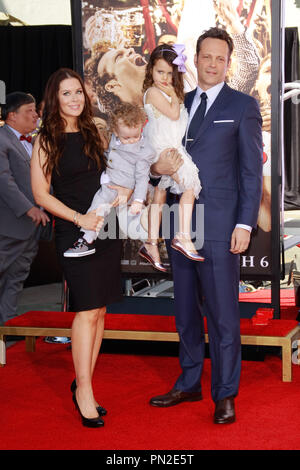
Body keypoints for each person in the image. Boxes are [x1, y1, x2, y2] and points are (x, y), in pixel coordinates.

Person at [149, 28, 263, 424]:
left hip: (218, 225)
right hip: (180, 224)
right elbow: (157, 157)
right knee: (184, 312)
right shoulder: (177, 105)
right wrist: (153, 169)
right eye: (207, 57)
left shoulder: (244, 106)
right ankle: (189, 381)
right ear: (194, 60)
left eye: (221, 58)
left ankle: (225, 393)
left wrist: (245, 224)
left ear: (228, 63)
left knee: (223, 315)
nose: (213, 64)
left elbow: (252, 173)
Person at [31, 68, 131, 428]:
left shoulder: (94, 131)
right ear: (53, 100)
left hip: (104, 229)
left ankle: (82, 383)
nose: (74, 99)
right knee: (87, 310)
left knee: (100, 310)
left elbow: (107, 177)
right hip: (74, 232)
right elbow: (41, 194)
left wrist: (122, 191)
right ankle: (85, 390)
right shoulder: (45, 139)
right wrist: (79, 218)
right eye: (66, 94)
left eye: (78, 93)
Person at [139, 44, 204, 272]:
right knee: (190, 185)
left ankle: (150, 244)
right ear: (151, 71)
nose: (165, 78)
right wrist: (176, 91)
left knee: (160, 195)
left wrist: (184, 67)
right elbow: (175, 113)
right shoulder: (154, 93)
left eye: (170, 73)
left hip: (170, 146)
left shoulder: (168, 92)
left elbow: (191, 87)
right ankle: (183, 236)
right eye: (160, 72)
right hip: (164, 149)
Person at [63, 102, 155, 258]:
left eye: (136, 136)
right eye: (127, 137)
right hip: (109, 181)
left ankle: (86, 239)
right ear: (115, 132)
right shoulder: (113, 137)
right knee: (116, 217)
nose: (132, 140)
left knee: (99, 207)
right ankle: (146, 242)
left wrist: (138, 199)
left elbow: (142, 177)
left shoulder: (143, 151)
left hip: (121, 186)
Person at [0, 92, 49, 325]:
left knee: (16, 280)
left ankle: (7, 330)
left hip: (31, 230)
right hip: (9, 226)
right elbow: (3, 180)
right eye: (29, 111)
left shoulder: (34, 141)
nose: (36, 115)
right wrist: (30, 209)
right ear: (12, 115)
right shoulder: (2, 139)